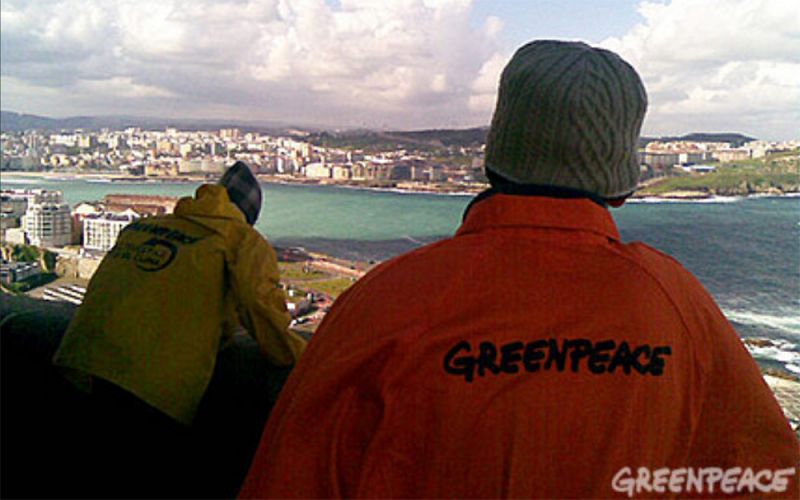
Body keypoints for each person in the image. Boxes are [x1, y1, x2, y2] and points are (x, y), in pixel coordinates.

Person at [239, 41, 799, 498]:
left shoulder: (386, 297)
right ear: (623, 182)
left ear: (493, 154)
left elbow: (288, 479)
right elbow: (770, 475)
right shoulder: (677, 302)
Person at [53, 161, 306, 496]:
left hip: (85, 364)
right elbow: (264, 314)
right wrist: (306, 356)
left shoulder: (146, 226)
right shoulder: (242, 239)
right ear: (248, 214)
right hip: (151, 384)